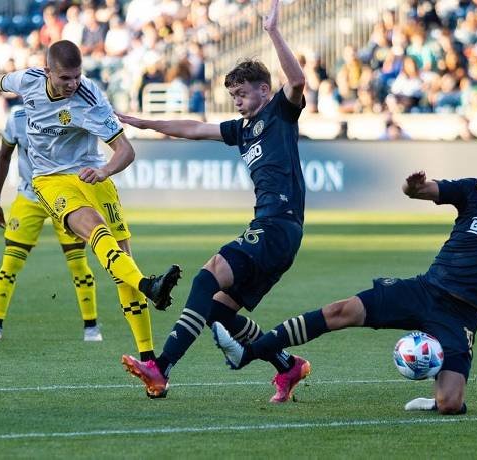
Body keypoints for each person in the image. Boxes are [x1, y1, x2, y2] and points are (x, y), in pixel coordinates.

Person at [213, 142, 477, 412]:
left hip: (462, 315)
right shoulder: (471, 192)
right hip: (424, 290)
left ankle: (433, 399)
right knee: (341, 311)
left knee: (450, 404)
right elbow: (422, 190)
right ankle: (247, 354)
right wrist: (412, 187)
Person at [0, 40, 181, 362]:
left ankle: (151, 365)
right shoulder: (28, 81)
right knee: (94, 230)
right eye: (65, 78)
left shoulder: (90, 99)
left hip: (93, 176)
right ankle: (149, 288)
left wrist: (105, 171)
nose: (72, 84)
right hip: (50, 181)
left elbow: (126, 151)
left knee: (123, 267)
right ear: (48, 70)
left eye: (77, 76)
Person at [119, 0, 310, 402]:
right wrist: (146, 122)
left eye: (242, 94)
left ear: (263, 89)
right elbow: (193, 128)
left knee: (208, 276)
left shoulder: (280, 112)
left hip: (277, 224)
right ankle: (287, 366)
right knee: (219, 310)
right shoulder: (241, 130)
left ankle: (161, 367)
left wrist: (273, 31)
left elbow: (296, 81)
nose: (238, 101)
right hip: (276, 231)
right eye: (234, 96)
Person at [0, 107, 102, 342]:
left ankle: (91, 326)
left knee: (78, 263)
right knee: (10, 262)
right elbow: (3, 155)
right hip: (29, 196)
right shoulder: (17, 119)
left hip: (64, 198)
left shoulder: (69, 113)